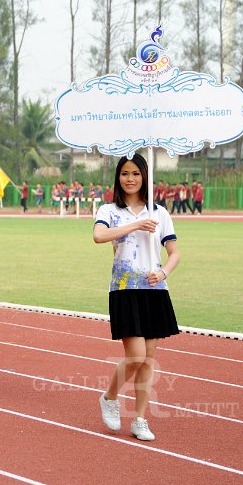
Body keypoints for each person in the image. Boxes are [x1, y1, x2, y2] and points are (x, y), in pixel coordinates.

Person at [93, 153, 180, 442]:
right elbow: (99, 237)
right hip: (124, 289)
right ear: (118, 177)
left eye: (136, 174)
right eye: (124, 173)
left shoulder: (160, 212)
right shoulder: (109, 210)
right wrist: (136, 225)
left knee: (148, 360)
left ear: (145, 177)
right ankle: (109, 397)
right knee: (136, 356)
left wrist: (164, 273)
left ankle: (141, 419)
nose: (130, 179)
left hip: (154, 291)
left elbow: (174, 253)